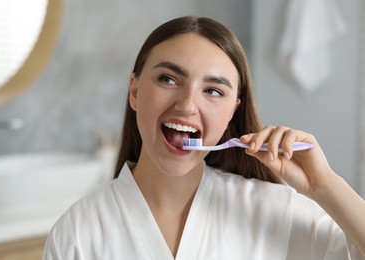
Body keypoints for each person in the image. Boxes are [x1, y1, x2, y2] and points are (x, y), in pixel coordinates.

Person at [42, 16, 365, 259]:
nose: (187, 105)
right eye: (168, 79)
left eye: (213, 90)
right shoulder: (78, 234)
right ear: (135, 91)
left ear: (232, 113)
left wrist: (326, 188)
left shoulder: (275, 211)